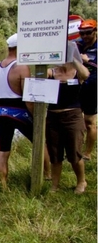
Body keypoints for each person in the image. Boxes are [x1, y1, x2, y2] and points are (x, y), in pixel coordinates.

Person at [0, 33, 50, 188]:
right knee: (40, 142)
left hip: (0, 111)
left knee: (2, 152)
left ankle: (3, 186)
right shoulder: (22, 67)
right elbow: (27, 97)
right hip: (19, 110)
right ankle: (48, 176)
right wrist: (35, 116)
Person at [46, 51, 90, 194]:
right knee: (55, 153)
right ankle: (55, 185)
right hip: (53, 117)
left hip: (73, 117)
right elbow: (37, 81)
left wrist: (75, 59)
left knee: (74, 153)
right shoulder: (51, 72)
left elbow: (86, 75)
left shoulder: (77, 73)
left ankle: (81, 181)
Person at [76, 19, 97, 160]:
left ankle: (88, 153)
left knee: (89, 122)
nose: (85, 36)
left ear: (95, 31)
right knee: (76, 121)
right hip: (77, 86)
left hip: (93, 87)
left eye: (88, 33)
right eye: (82, 33)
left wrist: (87, 61)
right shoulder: (78, 44)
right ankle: (76, 151)